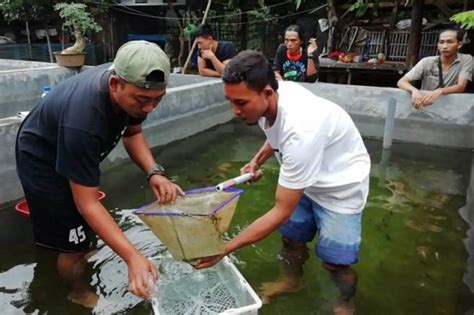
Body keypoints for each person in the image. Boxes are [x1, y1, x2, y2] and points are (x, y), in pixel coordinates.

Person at [197, 50, 370, 314]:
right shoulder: (276, 95)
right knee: (291, 239)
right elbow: (277, 133)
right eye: (229, 101)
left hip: (340, 188)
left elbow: (280, 211)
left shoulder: (303, 130)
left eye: (241, 103)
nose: (235, 111)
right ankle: (291, 281)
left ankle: (344, 303)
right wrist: (257, 160)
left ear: (267, 93)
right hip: (305, 180)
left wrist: (225, 248)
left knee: (335, 263)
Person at [15, 40, 184, 308]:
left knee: (81, 229)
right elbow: (88, 203)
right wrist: (133, 258)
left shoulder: (134, 89)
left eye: (157, 100)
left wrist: (154, 173)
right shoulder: (84, 120)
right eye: (143, 100)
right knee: (73, 242)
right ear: (115, 84)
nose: (150, 108)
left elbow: (133, 133)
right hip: (42, 160)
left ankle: (71, 249)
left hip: (67, 145)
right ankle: (76, 291)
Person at [397, 28, 473, 109]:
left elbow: (461, 86)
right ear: (438, 45)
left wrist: (439, 91)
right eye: (441, 42)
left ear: (459, 44)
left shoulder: (466, 59)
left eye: (449, 42)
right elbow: (401, 82)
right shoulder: (427, 61)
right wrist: (414, 91)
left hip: (449, 108)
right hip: (425, 105)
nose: (445, 46)